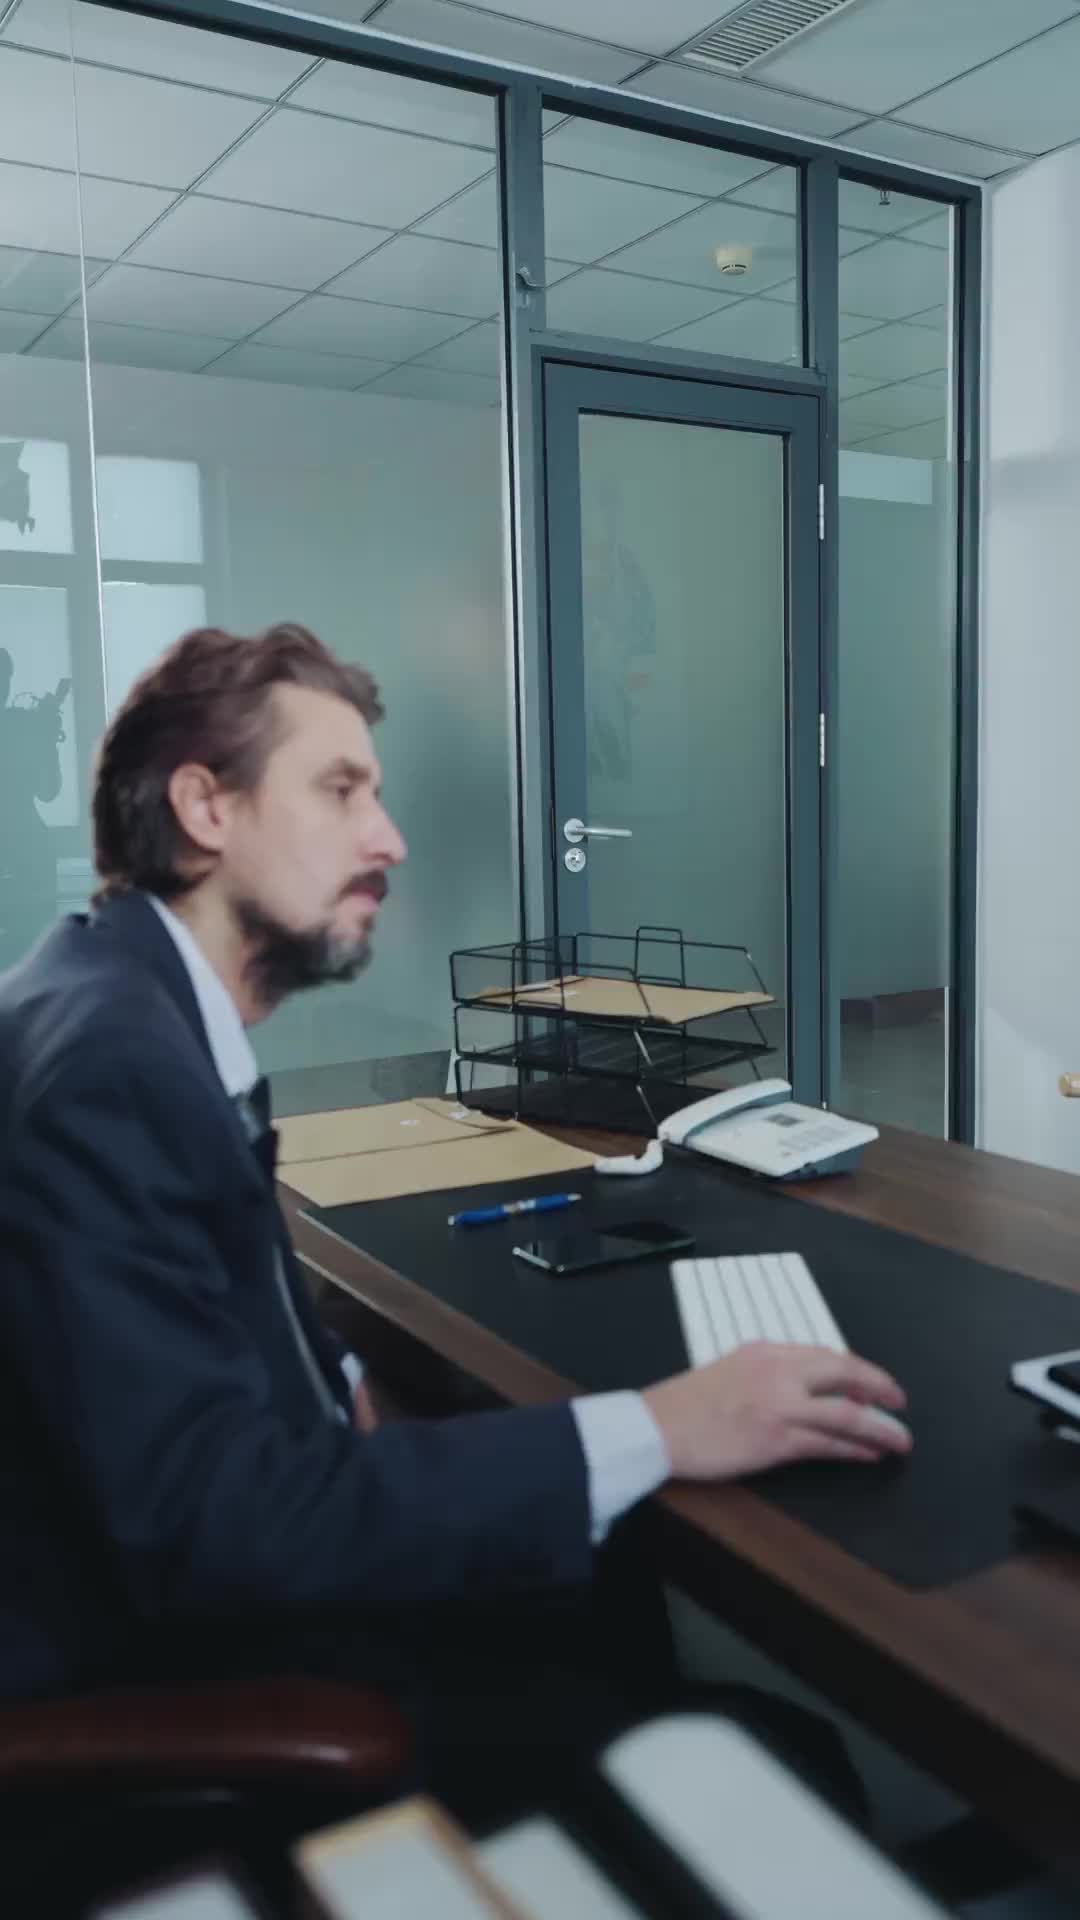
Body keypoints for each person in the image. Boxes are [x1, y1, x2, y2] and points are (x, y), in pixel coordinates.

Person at [0, 623, 910, 1822]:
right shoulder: (114, 1072)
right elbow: (218, 1525)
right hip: (194, 1673)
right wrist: (660, 1423)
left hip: (200, 1569)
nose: (389, 838)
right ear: (206, 807)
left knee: (603, 1578)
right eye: (341, 791)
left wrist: (338, 1374)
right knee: (775, 1751)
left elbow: (202, 1300)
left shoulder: (108, 991)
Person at [0, 648, 70, 966]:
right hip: (28, 846)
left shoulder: (25, 725)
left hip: (28, 851)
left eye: (4, 678)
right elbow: (49, 790)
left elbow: (49, 789)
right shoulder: (24, 725)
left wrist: (46, 740)